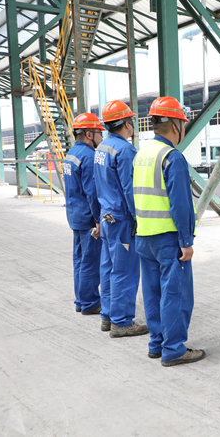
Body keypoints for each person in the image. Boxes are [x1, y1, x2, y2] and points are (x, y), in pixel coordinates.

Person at [133, 97, 204, 366]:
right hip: (168, 238)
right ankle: (173, 349)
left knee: (152, 292)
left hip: (144, 235)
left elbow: (132, 195)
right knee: (176, 294)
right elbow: (181, 205)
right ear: (176, 126)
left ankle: (157, 343)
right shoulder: (172, 157)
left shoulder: (141, 154)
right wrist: (186, 240)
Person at [94, 100, 147, 337]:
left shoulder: (102, 148)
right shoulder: (125, 150)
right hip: (122, 220)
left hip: (107, 217)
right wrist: (138, 218)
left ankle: (108, 316)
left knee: (108, 268)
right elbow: (129, 188)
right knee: (125, 271)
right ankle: (122, 322)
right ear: (126, 123)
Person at [64, 113, 104, 317]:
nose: (102, 138)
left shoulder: (71, 153)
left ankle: (81, 300)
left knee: (79, 260)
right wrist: (98, 219)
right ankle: (90, 302)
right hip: (88, 217)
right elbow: (92, 193)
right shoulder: (89, 156)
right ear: (89, 134)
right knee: (90, 261)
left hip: (75, 215)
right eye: (99, 133)